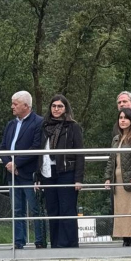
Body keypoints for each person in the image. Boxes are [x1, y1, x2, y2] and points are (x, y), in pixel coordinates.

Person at [0, 91, 47, 249]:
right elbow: (3, 147)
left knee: (35, 208)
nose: (12, 107)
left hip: (29, 173)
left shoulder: (38, 122)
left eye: (15, 104)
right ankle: (18, 242)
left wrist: (16, 163)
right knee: (17, 209)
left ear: (26, 106)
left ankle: (40, 241)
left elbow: (36, 147)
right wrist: (8, 163)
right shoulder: (10, 124)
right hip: (12, 174)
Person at [38, 95, 85, 248]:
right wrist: (37, 177)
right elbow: (39, 153)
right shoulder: (44, 127)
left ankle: (69, 244)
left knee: (67, 209)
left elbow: (80, 153)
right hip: (47, 172)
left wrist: (78, 179)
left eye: (60, 106)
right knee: (52, 209)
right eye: (54, 106)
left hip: (66, 171)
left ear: (65, 108)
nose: (56, 109)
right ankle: (56, 244)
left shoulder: (72, 126)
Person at [105, 107, 131, 246]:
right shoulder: (116, 139)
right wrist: (108, 177)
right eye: (120, 118)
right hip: (118, 179)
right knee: (120, 209)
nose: (123, 121)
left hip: (130, 178)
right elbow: (111, 160)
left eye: (126, 118)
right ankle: (125, 237)